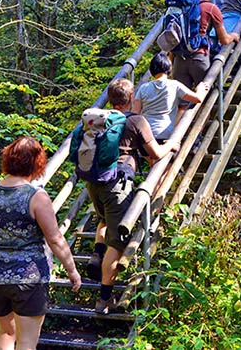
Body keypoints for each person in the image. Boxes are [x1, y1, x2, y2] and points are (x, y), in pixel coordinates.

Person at [85, 78, 180, 313]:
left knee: (104, 219)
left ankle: (96, 255)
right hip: (116, 183)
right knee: (117, 243)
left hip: (93, 180)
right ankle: (104, 299)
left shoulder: (96, 119)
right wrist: (172, 145)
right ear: (130, 99)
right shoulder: (136, 121)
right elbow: (156, 153)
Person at [0, 136, 82, 350]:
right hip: (27, 276)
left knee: (6, 332)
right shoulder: (36, 196)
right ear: (37, 163)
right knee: (27, 342)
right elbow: (55, 238)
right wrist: (72, 271)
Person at [171, 0, 240, 90]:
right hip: (199, 57)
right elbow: (224, 40)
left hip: (179, 58)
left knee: (181, 103)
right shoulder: (211, 8)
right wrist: (233, 36)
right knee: (204, 98)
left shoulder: (184, 6)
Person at [133, 52, 210, 141]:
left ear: (151, 70)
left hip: (145, 136)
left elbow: (135, 113)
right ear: (169, 68)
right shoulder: (174, 85)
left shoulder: (143, 88)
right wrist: (199, 89)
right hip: (165, 135)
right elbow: (198, 99)